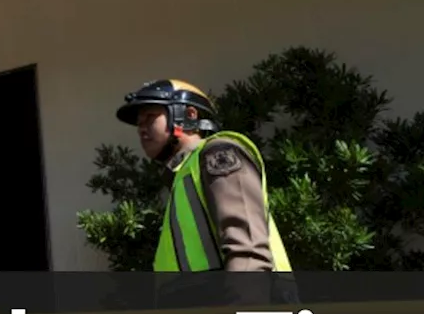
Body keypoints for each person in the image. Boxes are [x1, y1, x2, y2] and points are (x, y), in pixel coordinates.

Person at [115, 79, 292, 272]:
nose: (141, 128)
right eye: (139, 123)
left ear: (189, 115)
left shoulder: (218, 153)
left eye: (150, 117)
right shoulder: (182, 178)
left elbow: (247, 252)